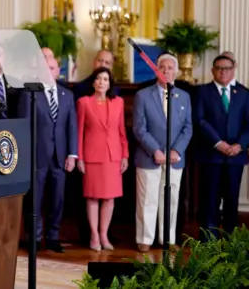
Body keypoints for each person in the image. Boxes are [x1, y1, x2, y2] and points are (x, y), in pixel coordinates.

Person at [132, 54, 192, 252]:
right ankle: (144, 239)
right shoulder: (143, 95)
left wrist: (176, 150)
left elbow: (187, 128)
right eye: (162, 67)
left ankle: (168, 238)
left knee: (171, 199)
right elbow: (139, 128)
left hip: (175, 158)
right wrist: (155, 150)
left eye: (170, 67)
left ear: (176, 71)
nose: (166, 71)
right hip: (149, 157)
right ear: (156, 70)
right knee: (147, 199)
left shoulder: (184, 96)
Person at [17, 55, 78, 253]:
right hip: (37, 156)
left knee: (57, 199)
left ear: (57, 70)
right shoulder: (30, 93)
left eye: (51, 68)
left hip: (60, 158)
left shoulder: (67, 95)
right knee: (34, 199)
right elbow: (24, 126)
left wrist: (72, 154)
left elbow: (71, 126)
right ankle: (34, 238)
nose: (48, 72)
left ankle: (53, 236)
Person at [195, 54, 249, 238]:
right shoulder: (202, 92)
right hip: (211, 156)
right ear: (212, 70)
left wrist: (240, 145)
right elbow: (200, 121)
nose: (223, 71)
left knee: (231, 201)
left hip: (236, 157)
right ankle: (208, 244)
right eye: (219, 68)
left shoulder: (244, 93)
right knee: (210, 200)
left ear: (233, 69)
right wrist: (218, 143)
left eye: (227, 68)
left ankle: (229, 243)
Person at [76, 67, 129, 251]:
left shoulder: (118, 102)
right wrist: (79, 158)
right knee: (92, 197)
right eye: (98, 78)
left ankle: (104, 235)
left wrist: (125, 155)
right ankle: (94, 235)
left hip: (113, 156)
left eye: (105, 79)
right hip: (91, 156)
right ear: (93, 82)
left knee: (109, 199)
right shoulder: (84, 102)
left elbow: (122, 131)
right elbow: (79, 132)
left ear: (110, 83)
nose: (101, 82)